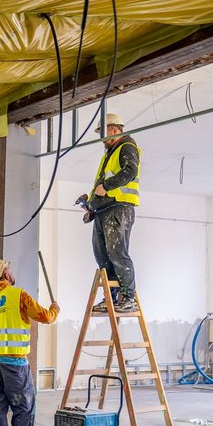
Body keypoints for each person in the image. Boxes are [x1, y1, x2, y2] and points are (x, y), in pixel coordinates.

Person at [0, 259, 59, 426]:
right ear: (5, 274)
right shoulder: (18, 295)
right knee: (24, 408)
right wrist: (54, 310)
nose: (11, 272)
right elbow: (45, 317)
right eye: (9, 269)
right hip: (14, 366)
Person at [86, 112, 141, 313]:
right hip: (104, 209)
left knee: (118, 253)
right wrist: (91, 203)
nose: (101, 138)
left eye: (103, 133)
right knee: (103, 256)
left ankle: (128, 297)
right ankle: (111, 297)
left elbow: (130, 172)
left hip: (119, 208)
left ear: (114, 130)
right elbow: (101, 186)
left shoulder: (126, 146)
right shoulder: (109, 155)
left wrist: (107, 186)